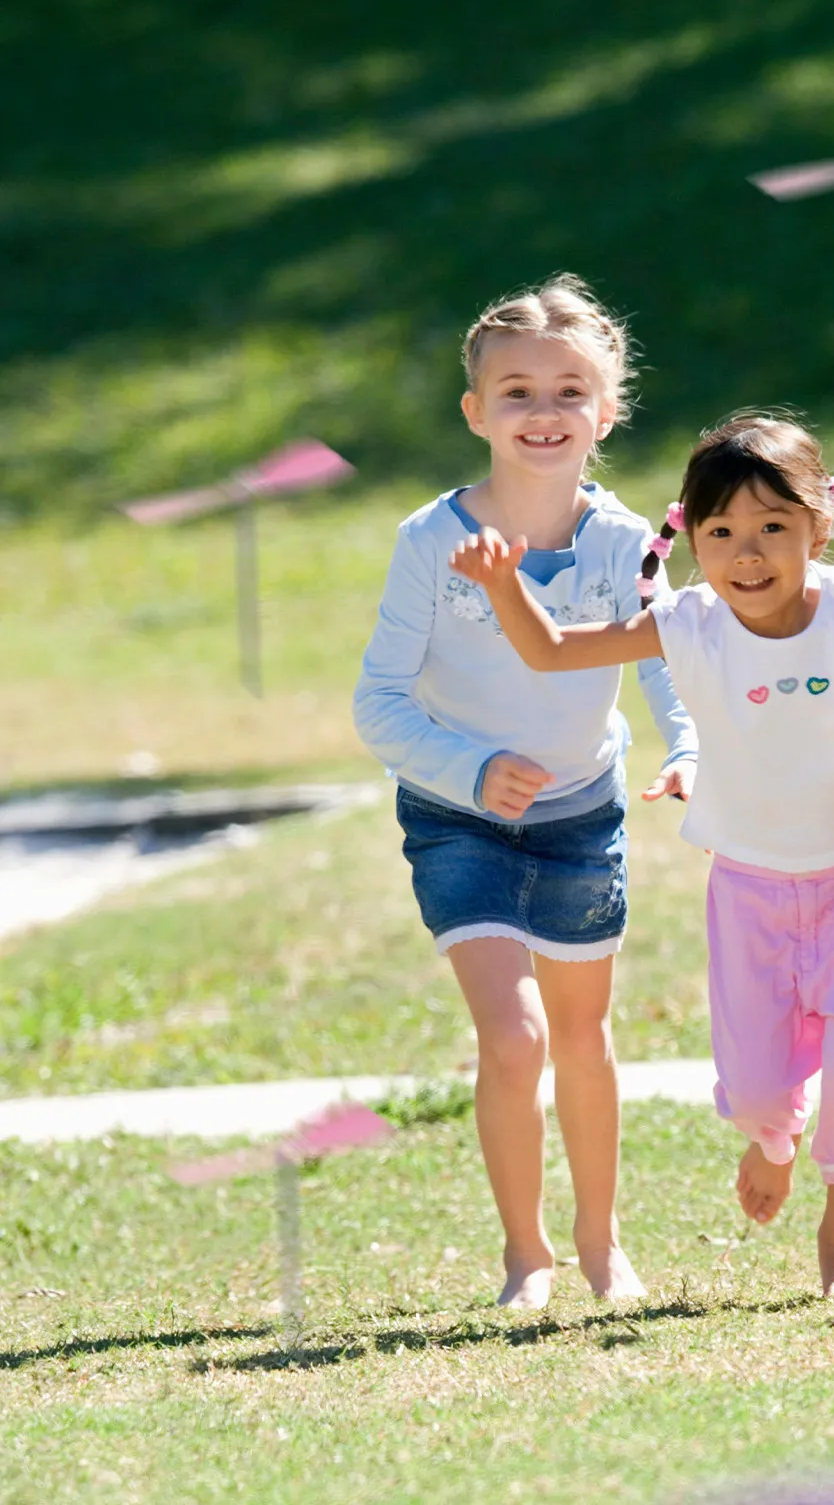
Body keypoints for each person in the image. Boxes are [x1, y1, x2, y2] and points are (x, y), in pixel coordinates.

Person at [447, 411, 834, 1297]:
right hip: (751, 890)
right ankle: (775, 1136)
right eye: (721, 532)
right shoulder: (689, 624)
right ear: (693, 537)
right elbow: (550, 651)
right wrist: (504, 590)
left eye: (772, 528)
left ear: (818, 529)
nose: (747, 553)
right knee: (759, 1091)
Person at [353, 276, 696, 1306]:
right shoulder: (429, 542)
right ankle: (526, 1254)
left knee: (583, 1038)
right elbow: (377, 704)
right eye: (515, 393)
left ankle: (602, 1247)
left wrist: (689, 751)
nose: (542, 414)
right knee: (513, 1037)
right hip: (459, 825)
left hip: (582, 820)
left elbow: (671, 658)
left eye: (568, 391)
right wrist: (467, 770)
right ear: (475, 413)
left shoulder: (628, 542)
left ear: (606, 409)